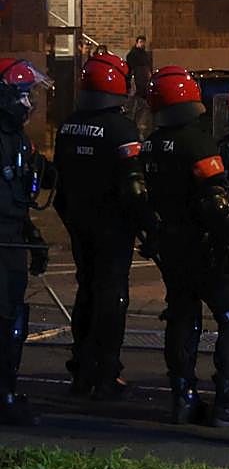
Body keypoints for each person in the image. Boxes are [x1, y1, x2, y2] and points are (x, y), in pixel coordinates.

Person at [143, 67, 229, 426]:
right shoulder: (197, 141)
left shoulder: (151, 144)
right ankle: (228, 399)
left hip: (171, 245)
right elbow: (216, 201)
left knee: (182, 317)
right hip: (205, 247)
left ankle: (183, 396)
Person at [54, 54, 158, 399]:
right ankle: (106, 371)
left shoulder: (68, 126)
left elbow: (61, 183)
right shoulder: (120, 129)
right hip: (112, 227)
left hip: (79, 223)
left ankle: (81, 367)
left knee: (86, 292)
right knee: (111, 298)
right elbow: (133, 188)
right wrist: (149, 229)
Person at [0, 60, 53, 425]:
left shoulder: (18, 139)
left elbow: (29, 183)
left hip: (13, 239)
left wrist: (32, 234)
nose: (28, 103)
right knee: (5, 320)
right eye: (22, 95)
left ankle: (7, 389)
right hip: (1, 245)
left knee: (13, 318)